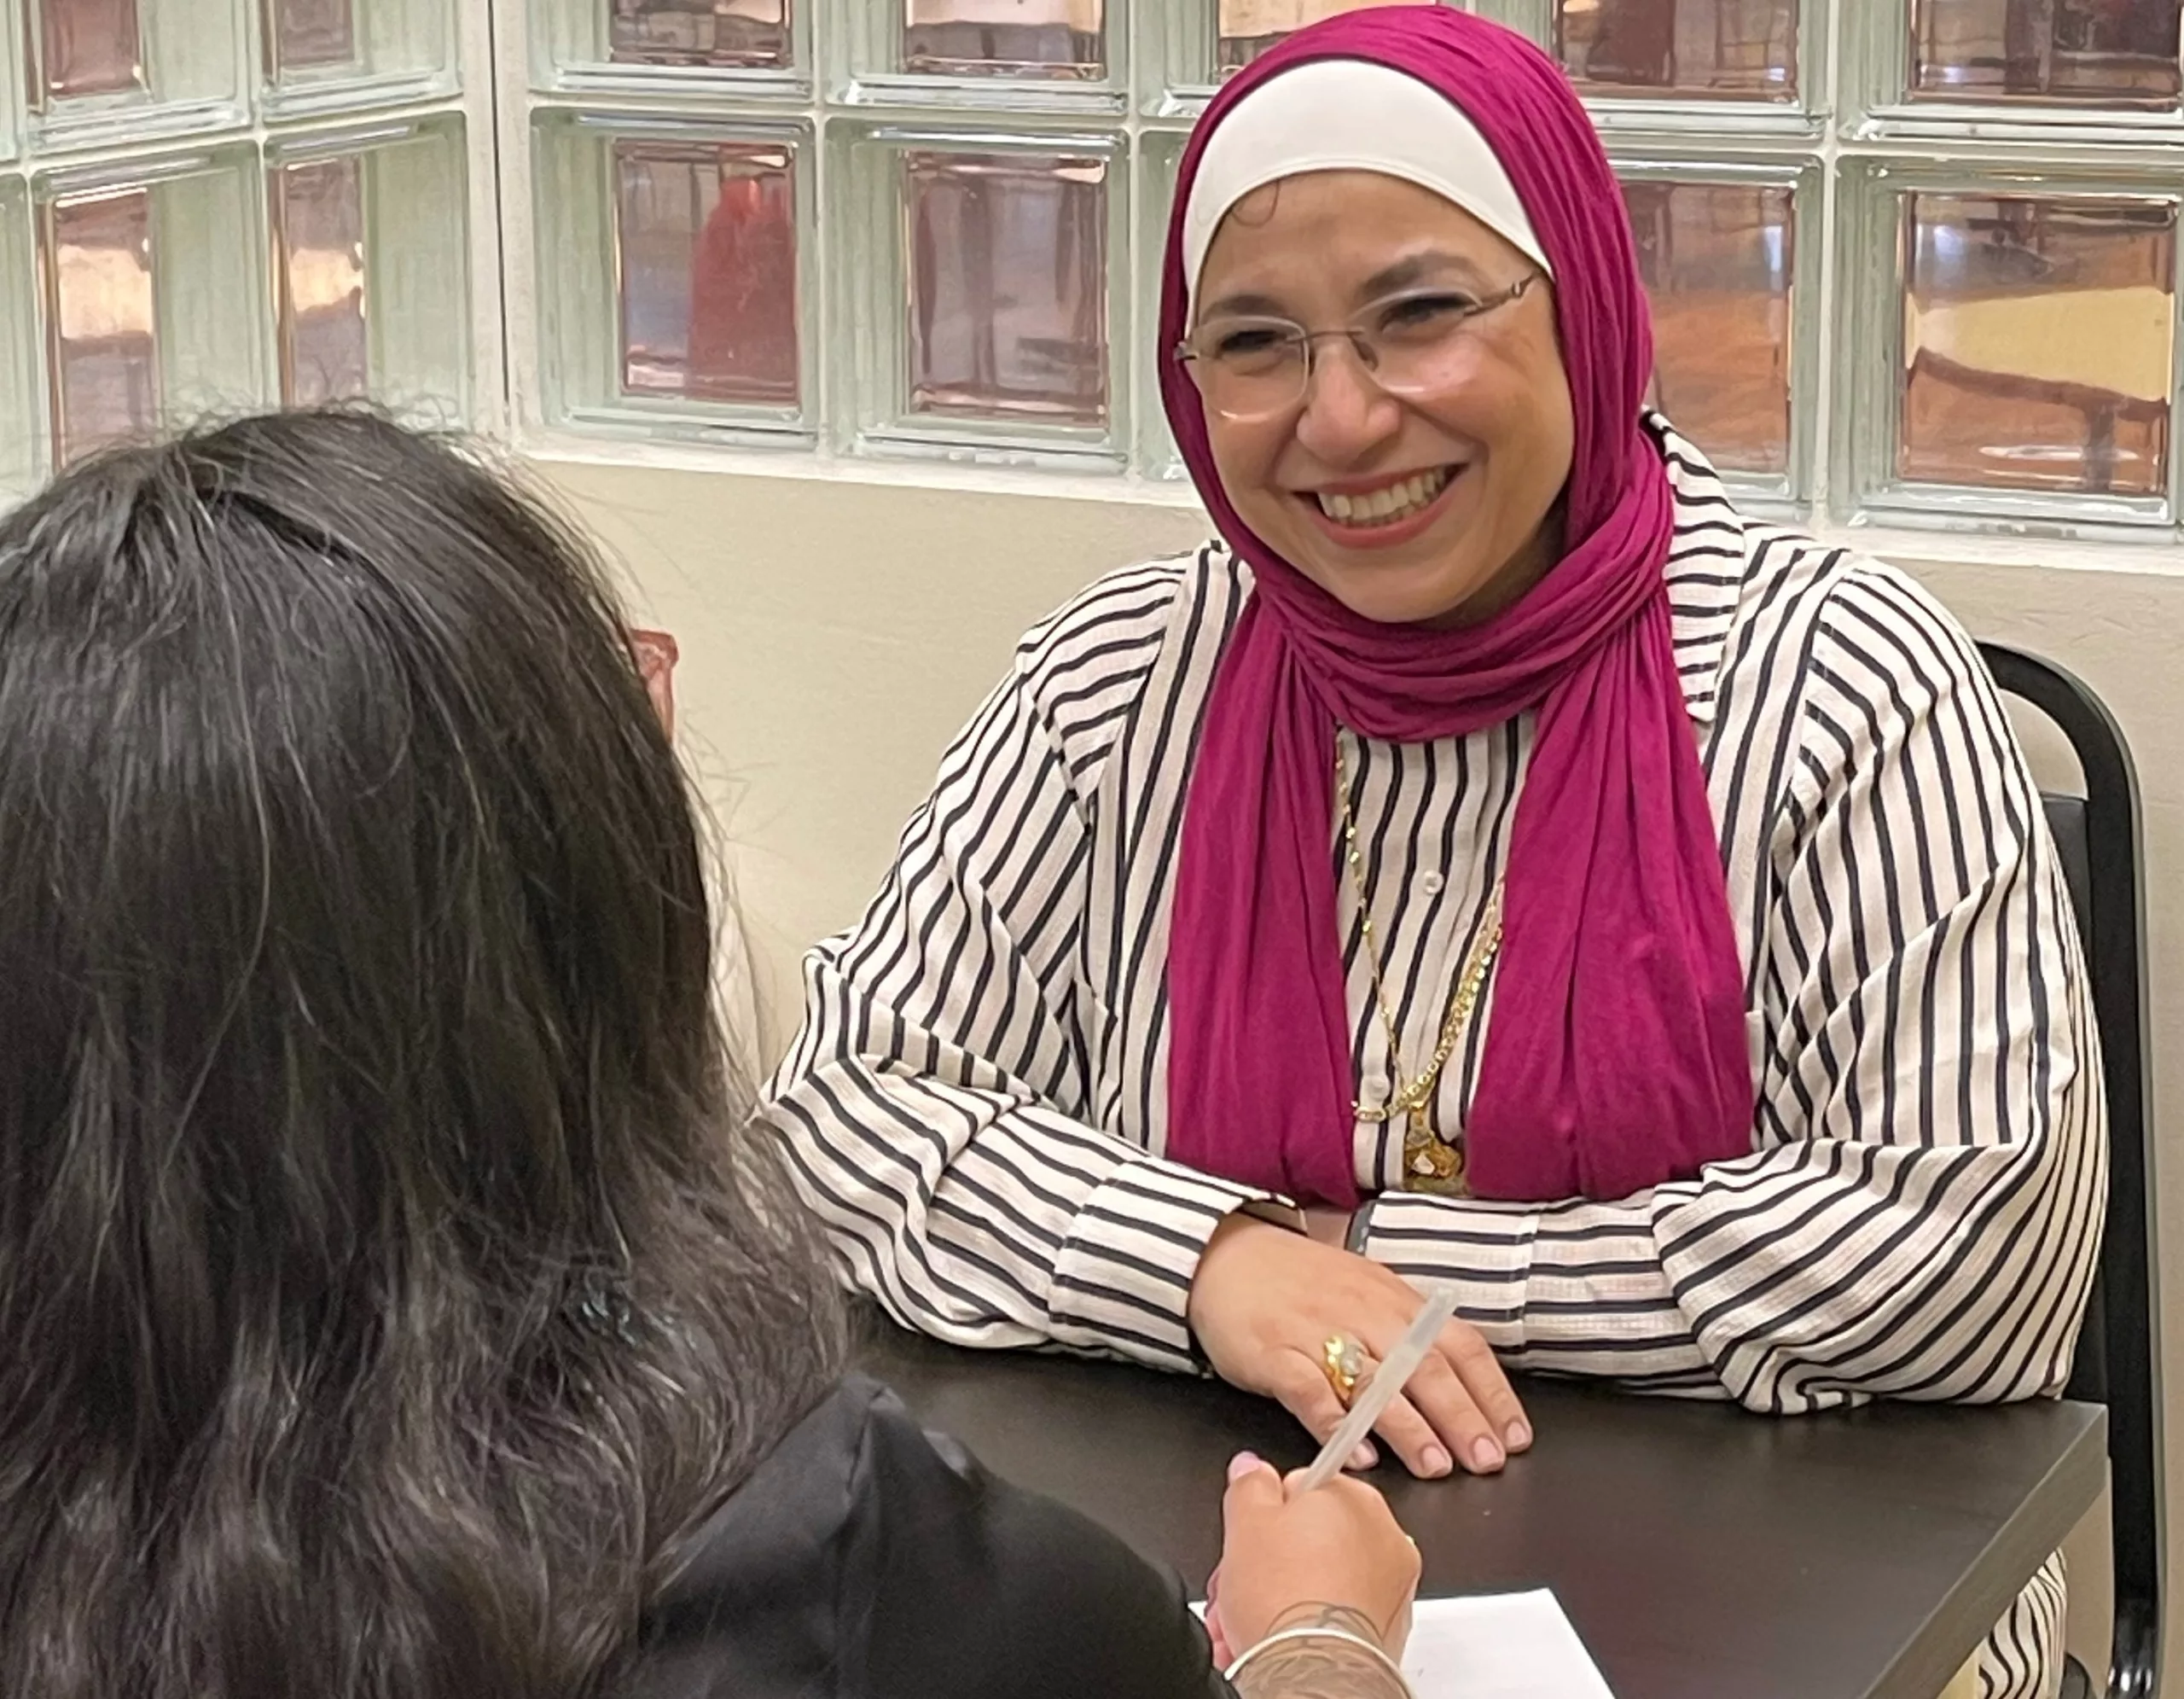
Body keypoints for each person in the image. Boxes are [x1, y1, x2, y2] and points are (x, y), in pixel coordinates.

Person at [761, 11, 2105, 1696]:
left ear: (1588, 304)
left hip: (1813, 1613)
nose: (1338, 419)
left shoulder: (1835, 681)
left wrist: (1369, 1263)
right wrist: (1206, 1261)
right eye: (1252, 344)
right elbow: (838, 1116)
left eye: (1417, 315)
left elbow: (1960, 1244)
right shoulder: (1120, 684)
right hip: (1243, 1601)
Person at [0, 410, 1423, 1699]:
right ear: (566, 909)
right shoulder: (843, 1564)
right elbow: (856, 1094)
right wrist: (1317, 1641)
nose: (1342, 414)